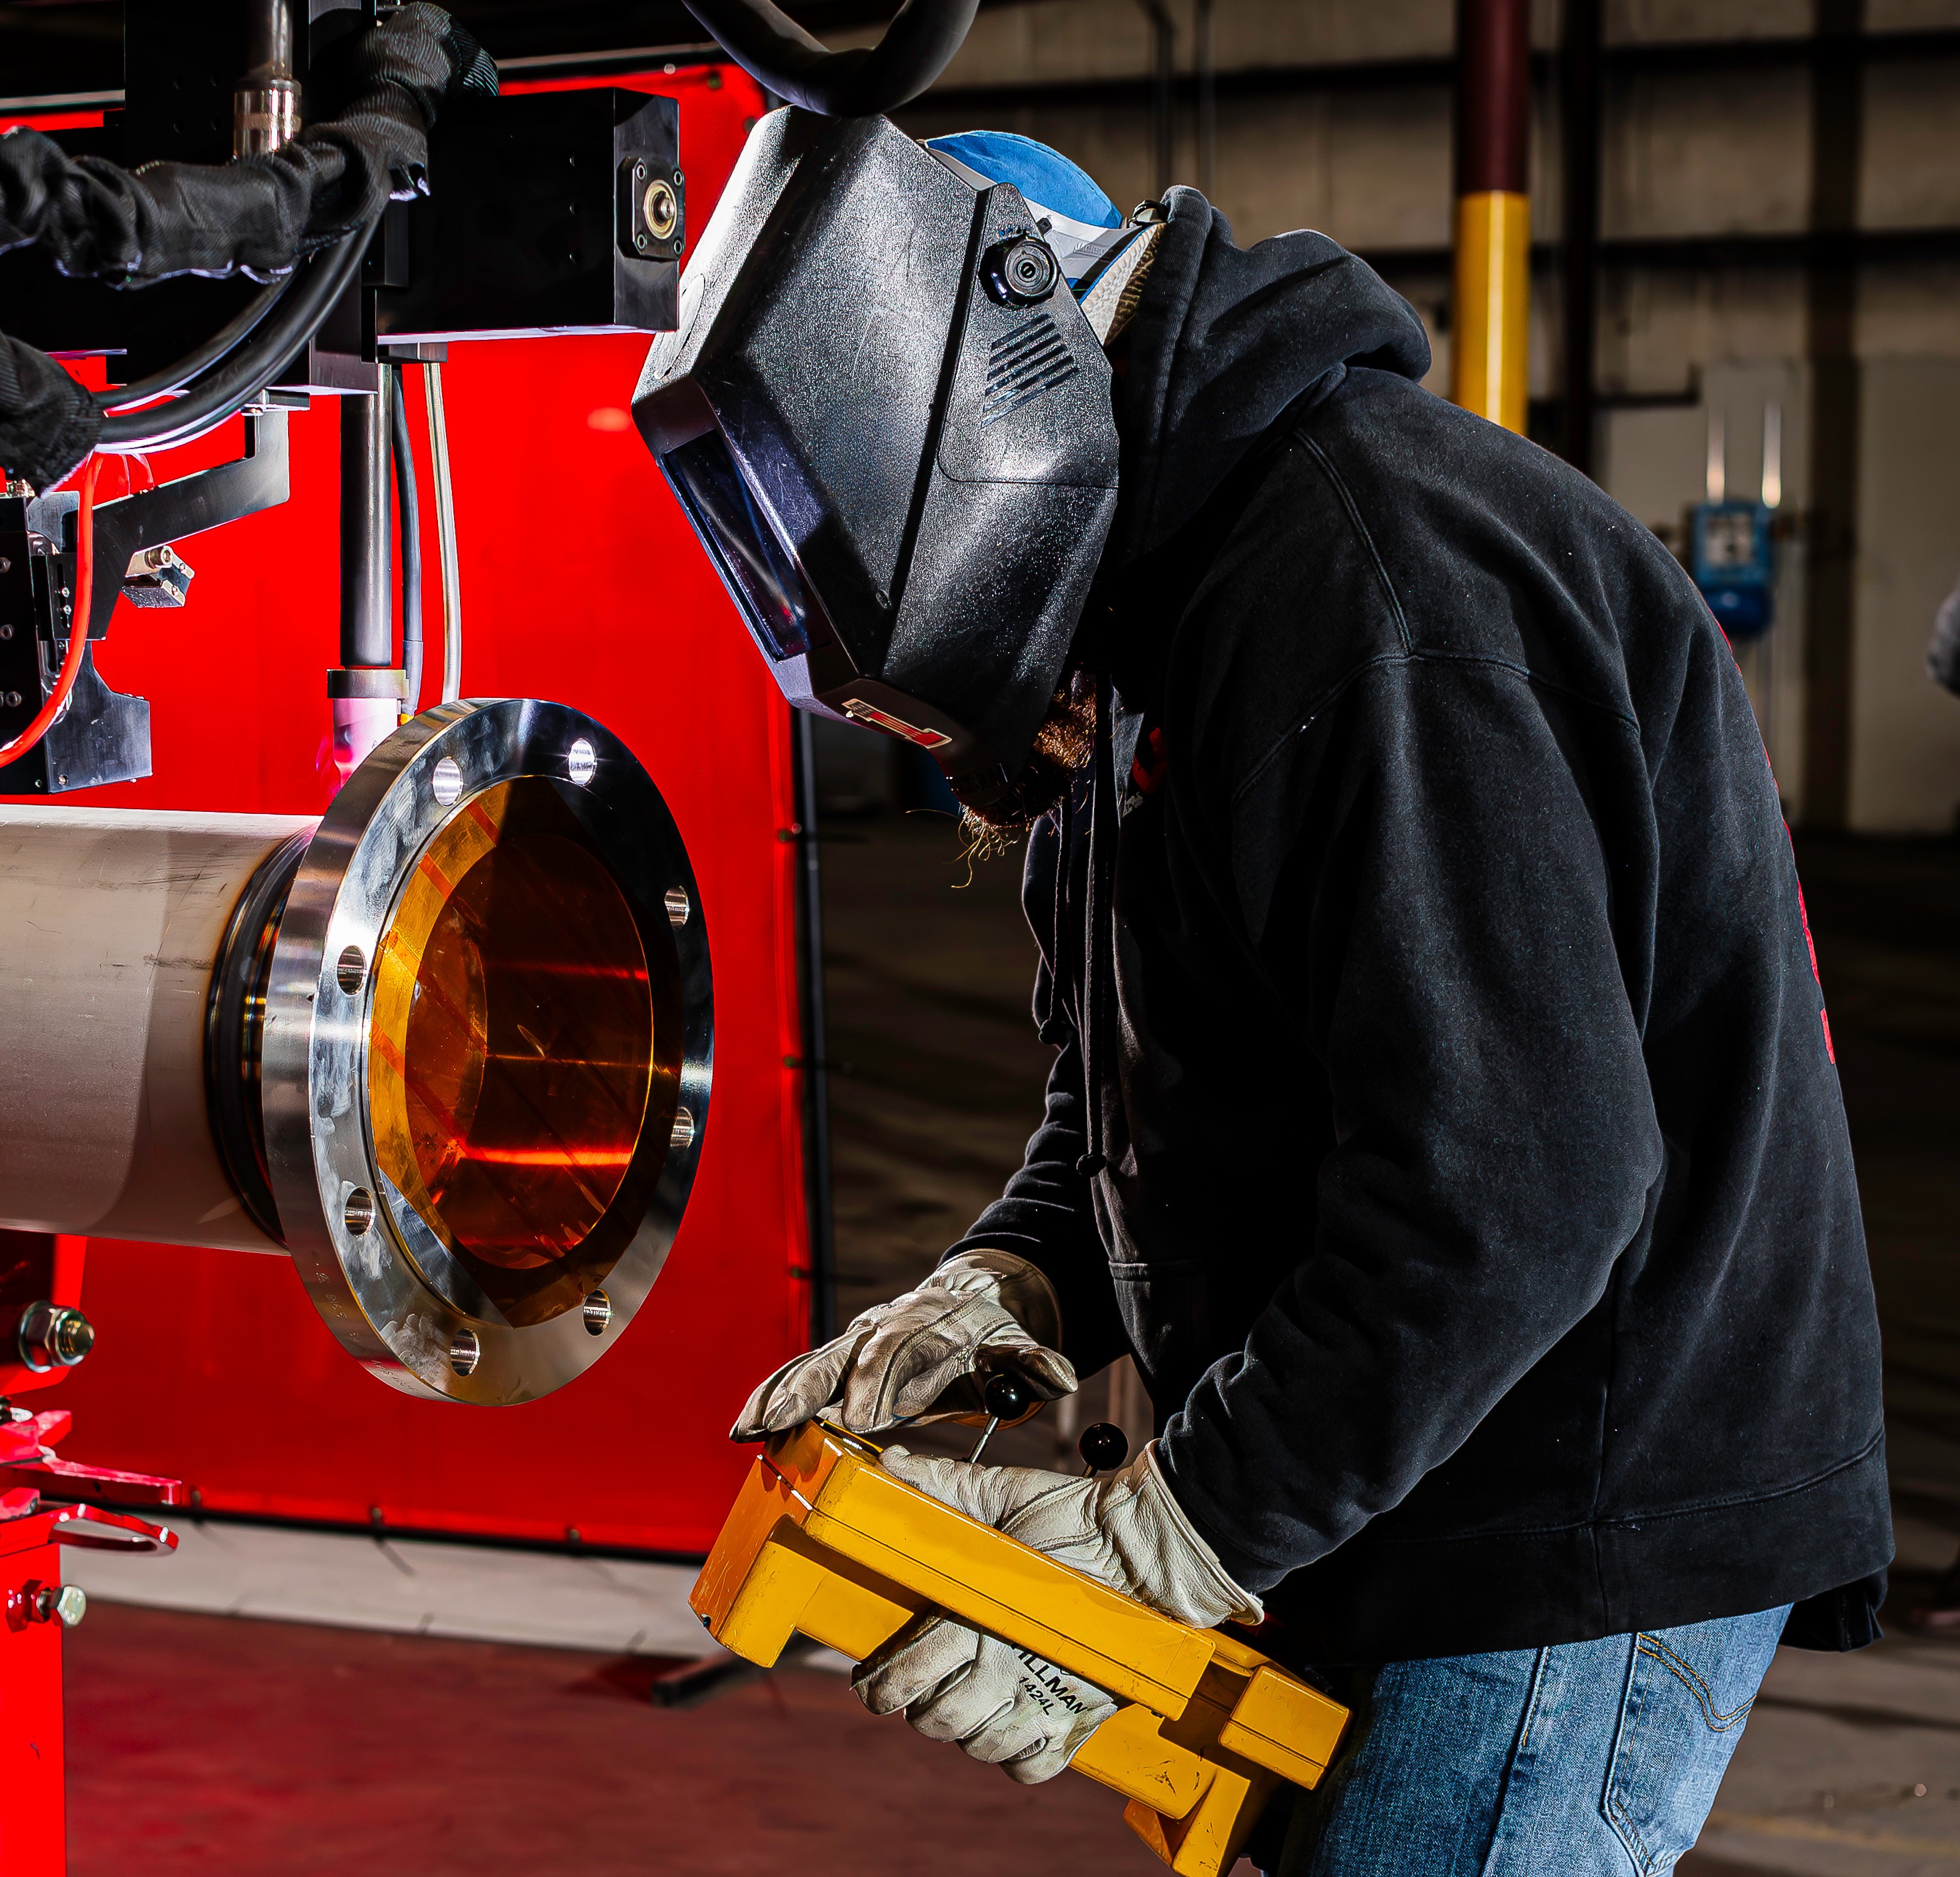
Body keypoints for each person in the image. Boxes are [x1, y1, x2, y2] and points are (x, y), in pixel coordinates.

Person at [671, 133, 1895, 1874]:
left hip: (1559, 1503)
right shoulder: (1144, 629)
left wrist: (1169, 1536)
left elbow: (1521, 1187)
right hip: (1402, 1474)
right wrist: (1016, 1270)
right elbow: (1134, 1089)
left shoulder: (1369, 595)